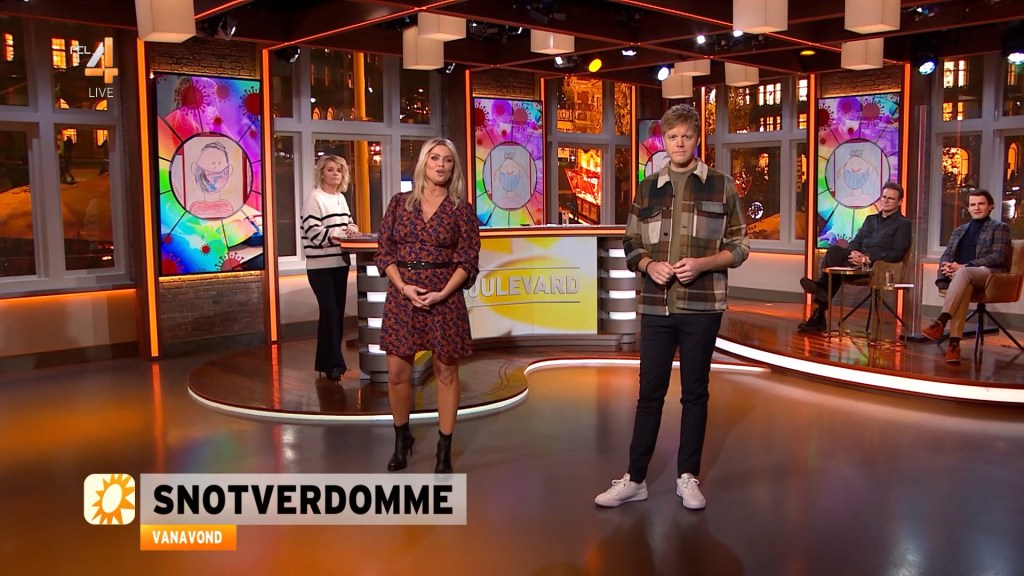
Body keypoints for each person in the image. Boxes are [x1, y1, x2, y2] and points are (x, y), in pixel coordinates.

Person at [595, 104, 749, 510]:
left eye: (686, 136)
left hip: (703, 306)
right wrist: (649, 265)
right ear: (664, 140)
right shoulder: (648, 187)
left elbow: (740, 245)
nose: (679, 143)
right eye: (672, 137)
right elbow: (631, 242)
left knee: (695, 393)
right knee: (649, 394)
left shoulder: (721, 185)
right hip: (656, 306)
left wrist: (703, 264)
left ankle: (687, 477)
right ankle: (635, 479)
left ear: (697, 139)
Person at [375, 137, 480, 474]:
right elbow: (385, 252)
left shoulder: (462, 210)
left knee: (446, 373)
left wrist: (443, 293)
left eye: (447, 160)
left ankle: (443, 449)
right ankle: (401, 438)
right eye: (434, 158)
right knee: (397, 374)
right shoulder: (398, 204)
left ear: (454, 167)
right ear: (424, 163)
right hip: (403, 296)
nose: (440, 165)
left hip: (445, 299)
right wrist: (404, 287)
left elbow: (468, 259)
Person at [797, 181, 911, 333]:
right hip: (856, 262)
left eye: (891, 198)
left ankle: (819, 312)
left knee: (834, 275)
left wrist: (867, 258)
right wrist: (853, 252)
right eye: (884, 197)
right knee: (834, 252)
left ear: (900, 202)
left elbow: (897, 253)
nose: (886, 201)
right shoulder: (870, 219)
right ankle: (822, 292)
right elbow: (856, 241)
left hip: (876, 267)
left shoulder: (903, 224)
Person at [921, 189, 1012, 364]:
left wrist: (965, 266)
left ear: (990, 206)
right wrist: (946, 267)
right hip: (962, 277)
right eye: (973, 204)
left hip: (987, 274)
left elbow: (999, 257)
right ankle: (954, 345)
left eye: (981, 204)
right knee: (965, 284)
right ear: (968, 208)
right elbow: (947, 254)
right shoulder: (959, 230)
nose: (977, 208)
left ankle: (941, 320)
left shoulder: (999, 228)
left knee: (964, 272)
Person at [300, 154, 359, 381]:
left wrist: (352, 229)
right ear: (321, 173)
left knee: (335, 316)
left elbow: (348, 222)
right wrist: (338, 234)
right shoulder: (314, 198)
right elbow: (313, 232)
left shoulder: (341, 198)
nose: (335, 174)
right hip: (320, 266)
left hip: (340, 263)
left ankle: (326, 363)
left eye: (339, 170)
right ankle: (335, 365)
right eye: (330, 170)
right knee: (330, 314)